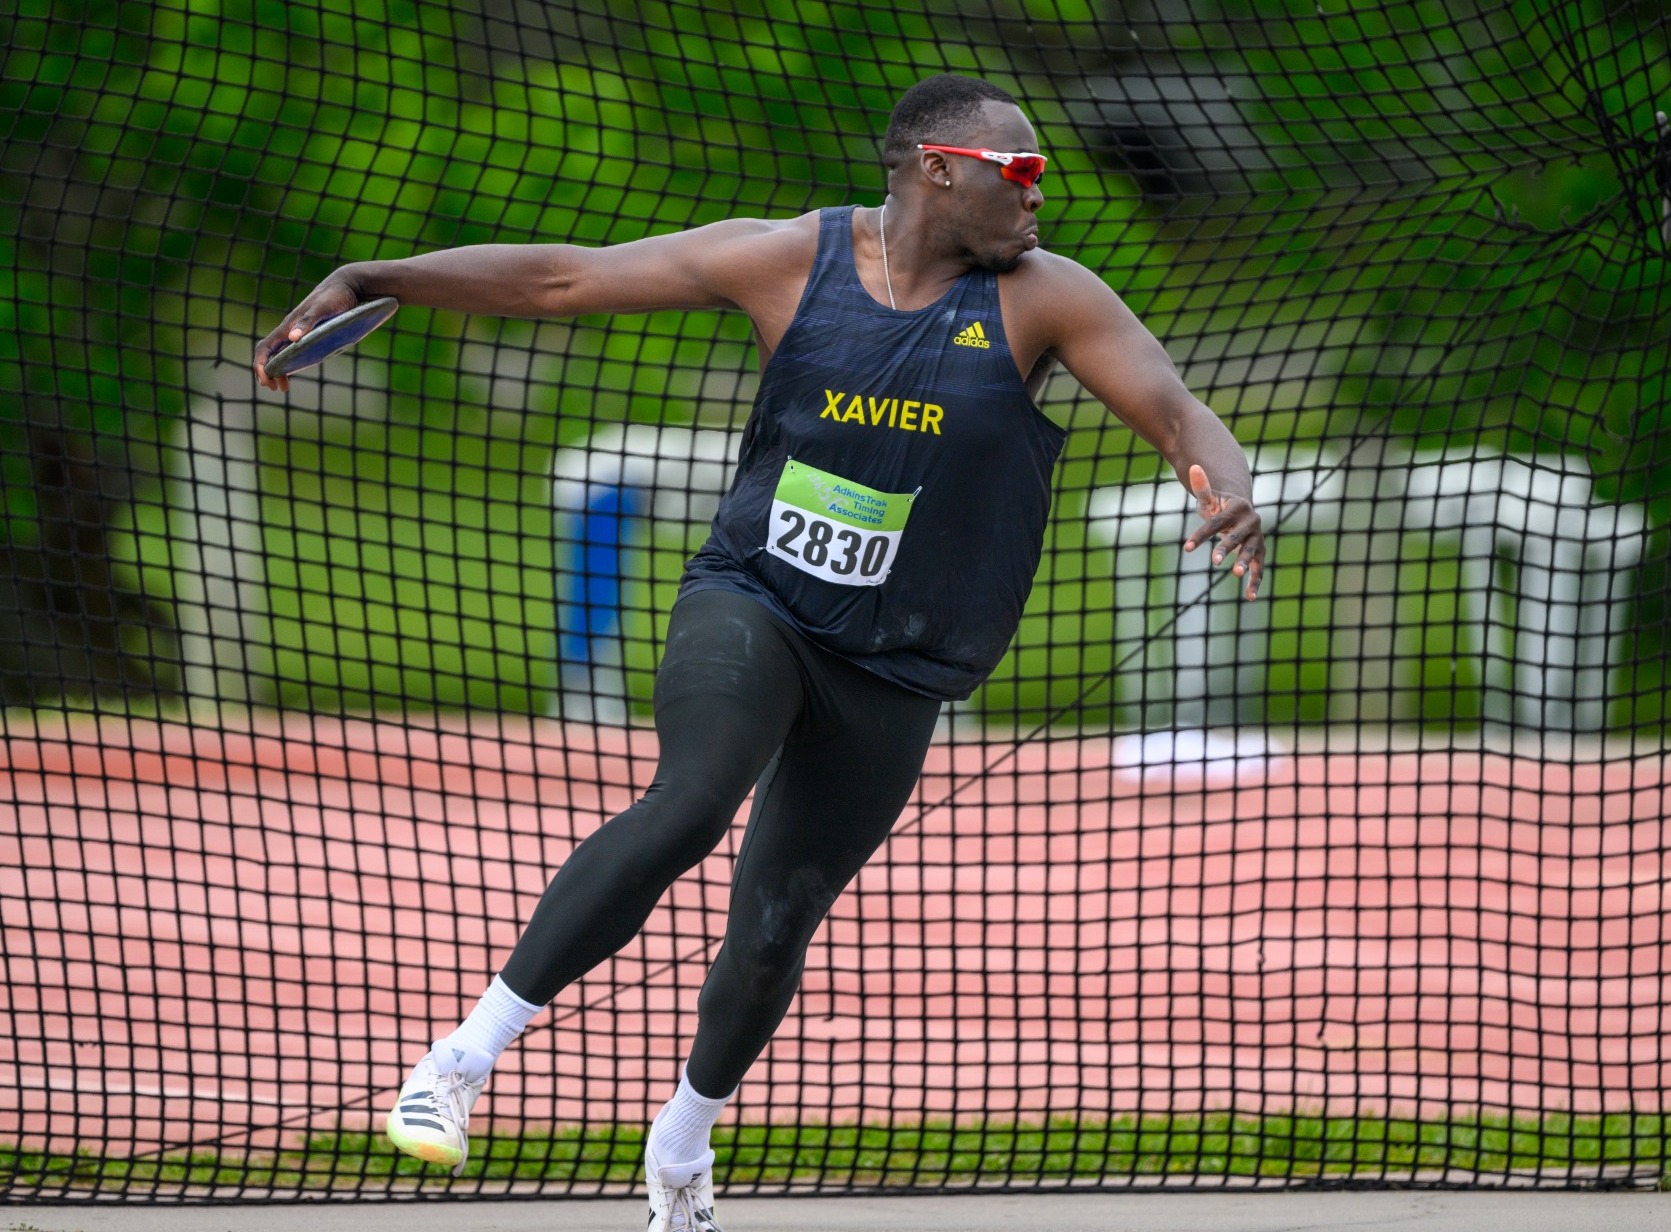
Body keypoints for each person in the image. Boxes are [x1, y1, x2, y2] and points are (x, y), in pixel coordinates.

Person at [254, 73, 1266, 1232]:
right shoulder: (790, 258)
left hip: (897, 661)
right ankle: (462, 1059)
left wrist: (1225, 486)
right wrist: (376, 276)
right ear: (939, 167)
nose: (1040, 195)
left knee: (779, 912)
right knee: (689, 803)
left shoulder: (1044, 298)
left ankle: (683, 1143)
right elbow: (566, 275)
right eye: (1020, 171)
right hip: (757, 601)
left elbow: (1179, 410)